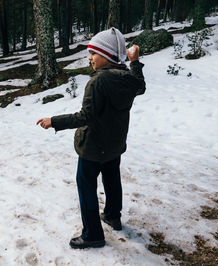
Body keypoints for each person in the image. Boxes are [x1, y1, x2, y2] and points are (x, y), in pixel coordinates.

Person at [36, 27, 146, 249]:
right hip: (114, 144)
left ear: (107, 56)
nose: (90, 58)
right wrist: (134, 62)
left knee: (85, 185)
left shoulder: (98, 82)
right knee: (112, 178)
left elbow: (85, 116)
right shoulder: (128, 78)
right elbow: (140, 86)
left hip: (94, 147)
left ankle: (93, 234)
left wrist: (53, 121)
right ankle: (113, 216)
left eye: (94, 54)